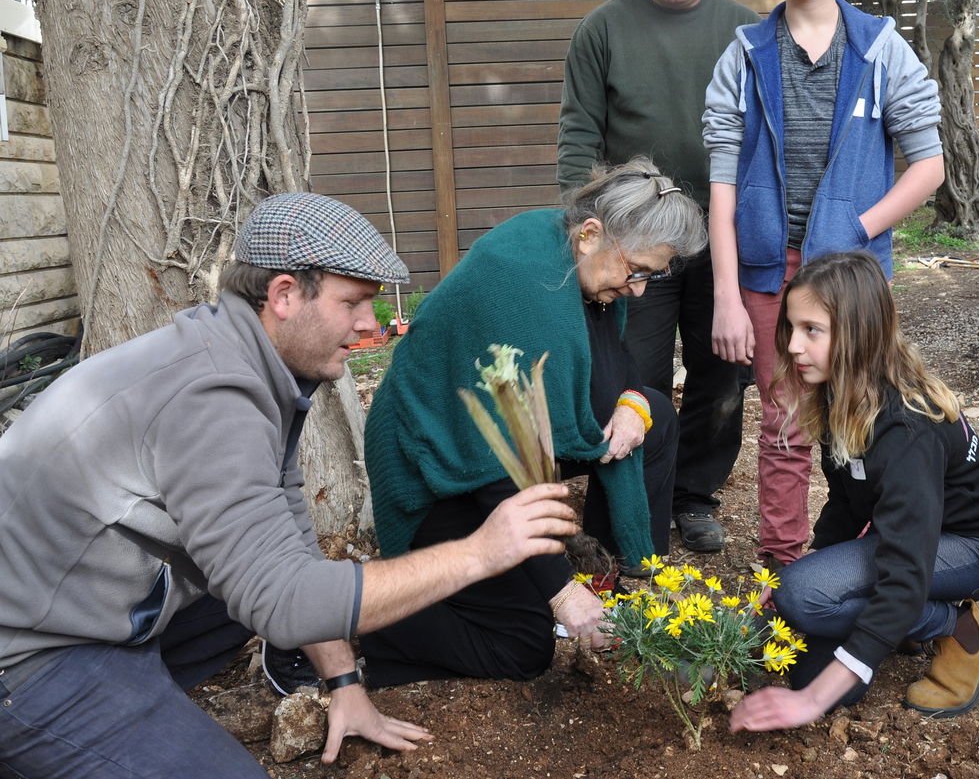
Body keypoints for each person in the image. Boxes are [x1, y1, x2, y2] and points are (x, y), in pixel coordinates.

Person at [0, 192, 582, 778]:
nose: (369, 325)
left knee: (260, 582)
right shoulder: (212, 399)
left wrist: (344, 682)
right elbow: (284, 602)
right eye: (353, 302)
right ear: (283, 295)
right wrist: (483, 551)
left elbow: (289, 540)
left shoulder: (243, 362)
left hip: (89, 603)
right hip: (29, 653)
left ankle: (125, 715)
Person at [361, 159, 707, 687]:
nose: (639, 290)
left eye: (652, 277)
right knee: (522, 646)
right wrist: (562, 594)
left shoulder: (581, 264)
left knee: (652, 412)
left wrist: (631, 403)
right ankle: (355, 616)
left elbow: (610, 366)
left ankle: (612, 581)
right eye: (637, 271)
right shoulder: (517, 283)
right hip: (440, 467)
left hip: (508, 445)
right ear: (592, 233)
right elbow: (496, 458)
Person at [704, 0, 945, 569]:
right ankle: (783, 565)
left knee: (866, 414)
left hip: (853, 278)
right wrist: (726, 293)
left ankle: (872, 562)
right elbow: (721, 186)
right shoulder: (744, 56)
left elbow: (929, 167)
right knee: (783, 425)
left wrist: (853, 227)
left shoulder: (880, 49)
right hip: (764, 270)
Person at [728, 252, 979, 733]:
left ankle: (957, 627)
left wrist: (816, 696)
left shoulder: (906, 429)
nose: (794, 346)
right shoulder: (840, 392)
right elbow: (846, 502)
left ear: (859, 332)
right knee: (802, 660)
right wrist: (812, 562)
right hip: (905, 538)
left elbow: (905, 566)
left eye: (812, 330)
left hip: (969, 548)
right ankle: (893, 625)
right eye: (792, 328)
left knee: (804, 601)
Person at [557, 0, 759, 555]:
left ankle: (696, 494)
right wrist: (581, 222)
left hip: (722, 236)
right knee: (631, 375)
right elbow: (578, 133)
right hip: (636, 241)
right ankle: (632, 501)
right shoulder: (602, 29)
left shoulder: (746, 31)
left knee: (720, 373)